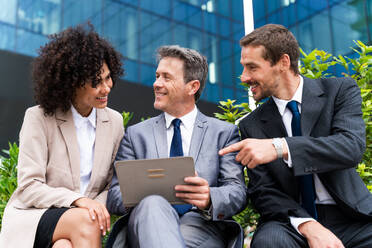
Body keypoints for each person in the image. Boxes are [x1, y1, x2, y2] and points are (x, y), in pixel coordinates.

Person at [219, 24, 372, 248]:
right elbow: (263, 191)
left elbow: (350, 147)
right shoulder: (251, 125)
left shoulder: (339, 91)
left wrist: (280, 147)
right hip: (291, 221)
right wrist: (308, 225)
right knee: (268, 241)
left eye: (252, 68)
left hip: (351, 216)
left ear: (283, 62)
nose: (243, 77)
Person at [106, 45, 247, 248]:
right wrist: (149, 194)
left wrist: (209, 197)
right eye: (157, 76)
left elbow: (237, 191)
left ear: (192, 87)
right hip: (147, 221)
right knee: (153, 203)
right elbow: (114, 196)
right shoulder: (136, 135)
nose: (156, 83)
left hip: (201, 225)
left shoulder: (223, 133)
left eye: (166, 77)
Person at [0, 24, 124, 248]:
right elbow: (29, 187)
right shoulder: (38, 117)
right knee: (87, 220)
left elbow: (110, 185)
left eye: (108, 78)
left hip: (82, 221)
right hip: (36, 216)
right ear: (73, 82)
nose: (106, 88)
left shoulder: (114, 122)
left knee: (64, 246)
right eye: (97, 82)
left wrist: (94, 206)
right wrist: (80, 202)